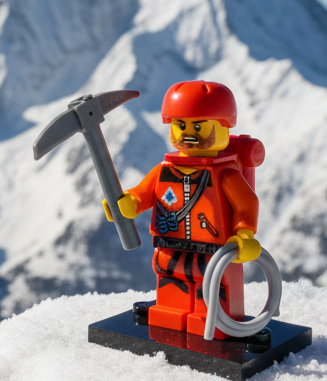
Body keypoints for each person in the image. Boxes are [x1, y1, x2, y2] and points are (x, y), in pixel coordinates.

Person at [105, 81, 263, 337]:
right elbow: (143, 194)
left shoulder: (224, 174)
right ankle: (169, 314)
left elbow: (247, 203)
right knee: (170, 276)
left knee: (211, 283)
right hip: (169, 245)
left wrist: (245, 233)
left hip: (214, 251)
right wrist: (128, 204)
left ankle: (212, 320)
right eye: (180, 125)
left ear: (223, 127)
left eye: (199, 126)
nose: (188, 133)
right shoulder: (165, 169)